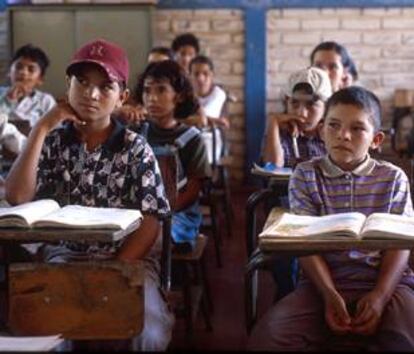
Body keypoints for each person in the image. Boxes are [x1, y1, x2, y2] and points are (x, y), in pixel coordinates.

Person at [5, 38, 174, 351]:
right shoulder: (53, 143)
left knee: (145, 332)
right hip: (62, 258)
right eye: (81, 82)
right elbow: (17, 197)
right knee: (45, 331)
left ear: (122, 97)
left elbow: (151, 221)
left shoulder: (136, 149)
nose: (91, 94)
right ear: (68, 85)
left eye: (105, 87)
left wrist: (111, 269)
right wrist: (42, 127)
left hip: (126, 261)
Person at [248, 86, 414, 351]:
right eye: (334, 125)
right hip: (322, 283)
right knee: (268, 339)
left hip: (388, 285)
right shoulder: (305, 175)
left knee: (403, 341)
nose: (343, 135)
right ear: (322, 129)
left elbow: (400, 244)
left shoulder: (393, 178)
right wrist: (328, 294)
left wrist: (380, 297)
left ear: (376, 140)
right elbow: (305, 241)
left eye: (357, 128)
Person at [134, 59, 211, 253]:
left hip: (178, 214)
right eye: (147, 90)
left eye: (161, 90)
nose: (151, 98)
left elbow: (192, 191)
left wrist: (159, 212)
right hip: (136, 211)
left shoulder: (192, 139)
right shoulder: (135, 133)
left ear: (179, 96)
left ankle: (147, 281)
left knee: (149, 238)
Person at [262, 66, 332, 169]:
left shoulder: (334, 134)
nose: (302, 113)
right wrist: (273, 122)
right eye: (294, 103)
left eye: (311, 104)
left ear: (326, 107)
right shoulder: (281, 132)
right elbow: (272, 168)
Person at [0, 44, 56, 154]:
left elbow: (55, 133)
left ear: (40, 79)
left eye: (31, 69)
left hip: (33, 156)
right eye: (18, 67)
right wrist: (8, 100)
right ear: (9, 72)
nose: (23, 72)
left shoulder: (45, 101)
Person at [188, 55, 230, 164]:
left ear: (212, 75)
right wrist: (215, 120)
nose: (200, 78)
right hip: (186, 137)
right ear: (190, 76)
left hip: (210, 140)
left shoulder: (218, 94)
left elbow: (202, 121)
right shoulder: (186, 94)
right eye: (196, 74)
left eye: (205, 74)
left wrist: (186, 119)